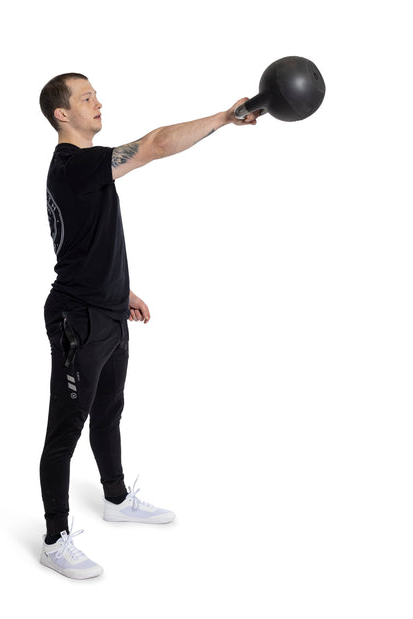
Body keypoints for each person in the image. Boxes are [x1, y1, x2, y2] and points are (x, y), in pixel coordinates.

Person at [38, 72, 260, 579]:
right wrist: (226, 117)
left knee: (110, 410)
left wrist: (122, 291)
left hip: (108, 308)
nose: (98, 103)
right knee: (64, 430)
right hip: (78, 317)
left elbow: (79, 241)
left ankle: (115, 497)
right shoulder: (75, 164)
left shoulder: (86, 171)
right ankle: (54, 538)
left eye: (96, 94)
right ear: (62, 115)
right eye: (86, 98)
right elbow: (157, 144)